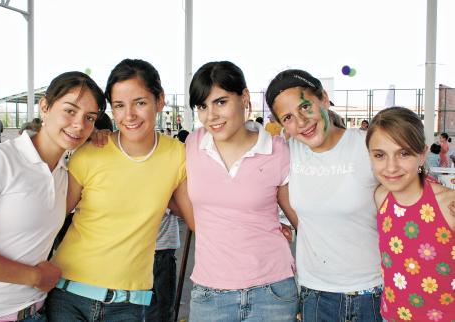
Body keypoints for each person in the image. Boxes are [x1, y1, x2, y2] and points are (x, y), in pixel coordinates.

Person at [45, 58, 194, 322]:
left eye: (140, 103)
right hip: (68, 296)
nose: (129, 115)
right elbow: (50, 220)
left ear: (159, 101)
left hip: (129, 304)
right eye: (119, 106)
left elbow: (198, 219)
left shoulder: (178, 156)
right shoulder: (90, 152)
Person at [0, 71, 105, 321]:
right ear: (45, 106)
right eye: (70, 111)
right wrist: (36, 277)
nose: (79, 124)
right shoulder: (0, 160)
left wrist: (99, 136)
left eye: (90, 118)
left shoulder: (65, 173)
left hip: (37, 310)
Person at [266, 69, 382, 322]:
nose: (301, 121)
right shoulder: (285, 155)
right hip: (316, 294)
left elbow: (409, 186)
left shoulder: (367, 145)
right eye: (288, 117)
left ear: (324, 99)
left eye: (305, 107)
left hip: (374, 291)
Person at [187, 61, 298, 321]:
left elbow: (298, 216)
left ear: (244, 98)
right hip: (209, 294)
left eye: (221, 102)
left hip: (272, 292)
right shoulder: (192, 145)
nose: (211, 115)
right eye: (202, 106)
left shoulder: (277, 149)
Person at [366, 107, 455, 322]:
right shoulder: (381, 197)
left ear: (422, 154)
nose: (391, 167)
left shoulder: (448, 204)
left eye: (403, 153)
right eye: (379, 155)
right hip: (392, 316)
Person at [146, 131, 189, 322]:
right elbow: (183, 211)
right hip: (161, 251)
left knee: (148, 305)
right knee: (161, 307)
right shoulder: (160, 181)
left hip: (147, 251)